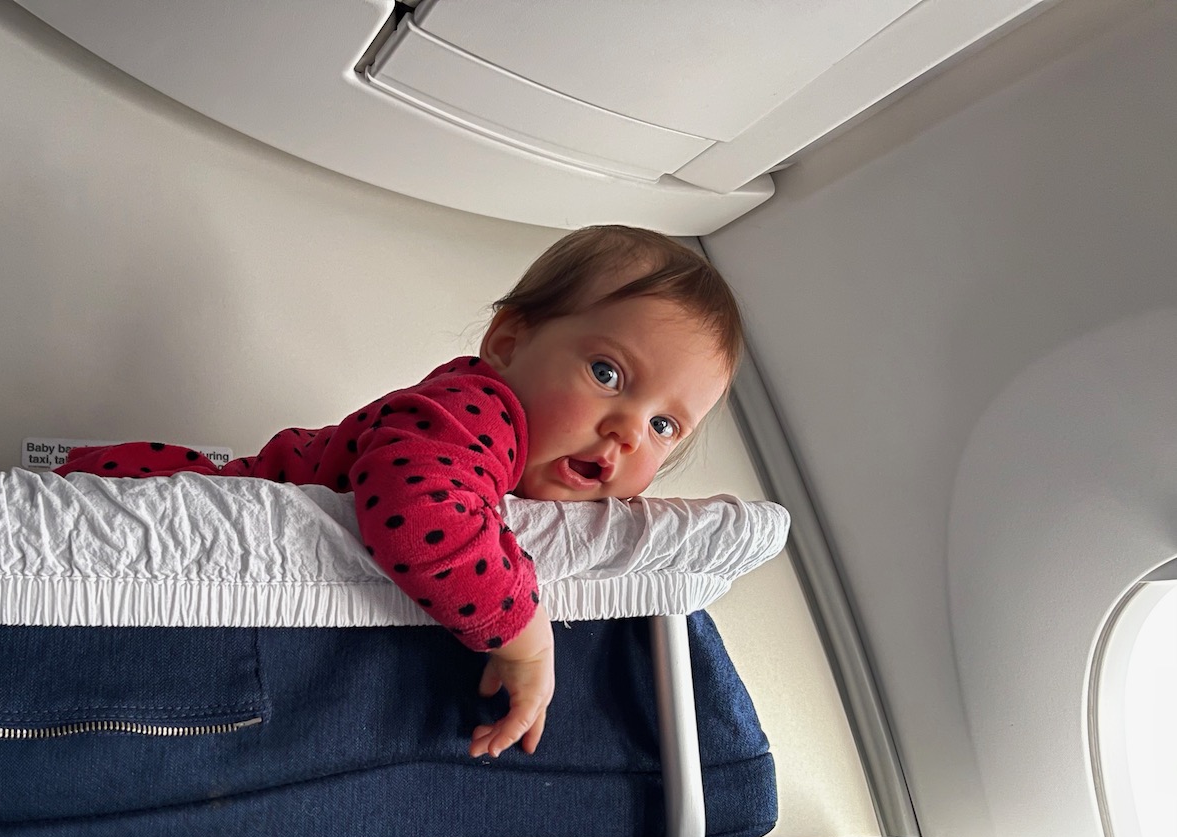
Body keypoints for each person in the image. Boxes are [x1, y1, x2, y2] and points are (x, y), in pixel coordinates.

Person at [56, 226, 743, 760]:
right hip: (203, 497)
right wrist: (526, 635)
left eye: (664, 425)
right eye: (607, 372)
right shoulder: (480, 408)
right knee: (100, 518)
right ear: (507, 341)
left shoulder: (517, 459)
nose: (627, 431)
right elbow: (418, 514)